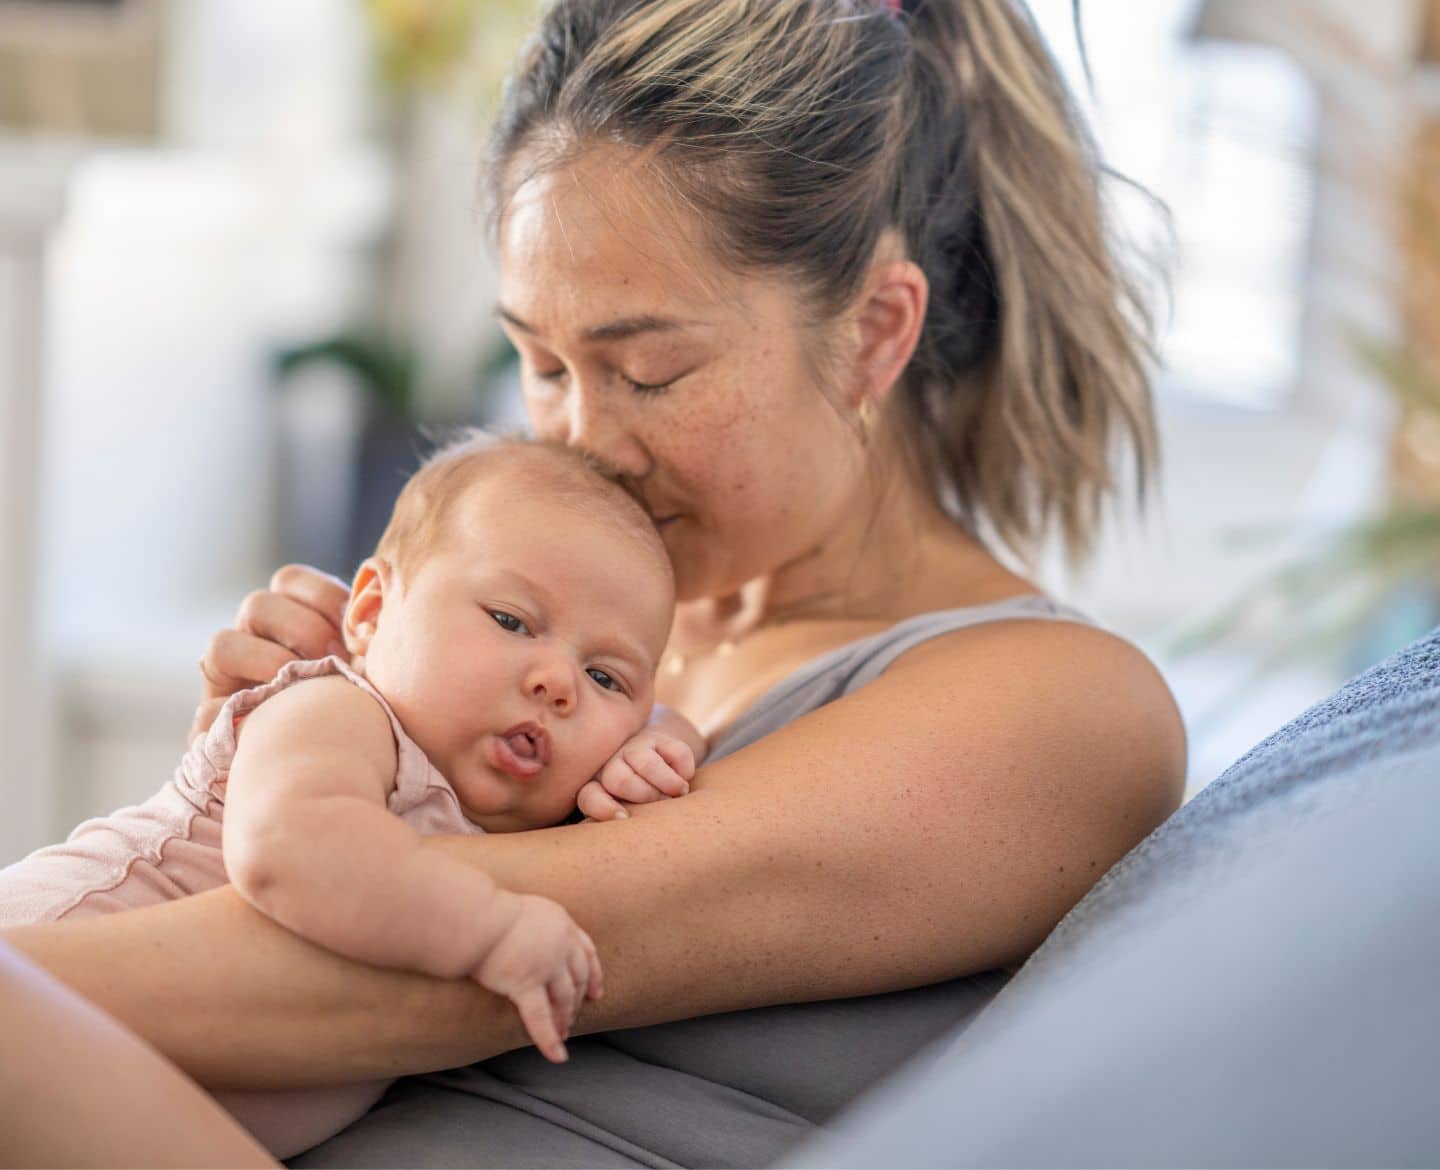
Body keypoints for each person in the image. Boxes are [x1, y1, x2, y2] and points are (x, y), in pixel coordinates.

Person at [0, 0, 1188, 1165]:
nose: (581, 441)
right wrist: (261, 769)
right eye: (539, 361)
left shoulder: (1060, 709)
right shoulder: (563, 628)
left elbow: (429, 981)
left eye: (650, 370)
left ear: (876, 329)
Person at [0, 436, 705, 1158]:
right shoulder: (339, 711)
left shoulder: (511, 801)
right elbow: (290, 853)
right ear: (369, 612)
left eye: (605, 677)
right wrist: (490, 928)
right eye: (510, 621)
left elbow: (667, 713)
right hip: (31, 987)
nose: (557, 682)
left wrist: (662, 742)